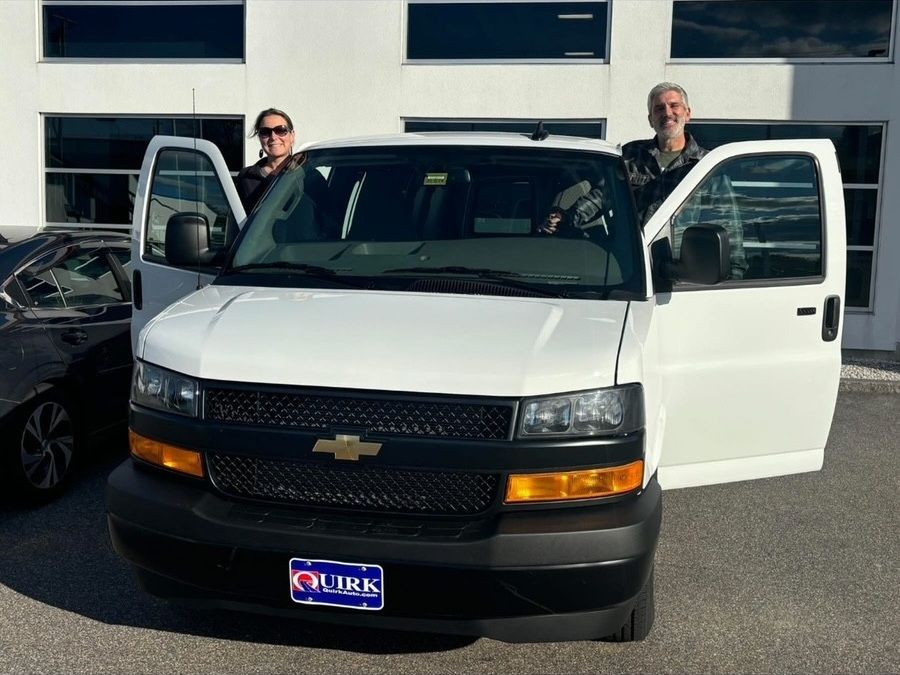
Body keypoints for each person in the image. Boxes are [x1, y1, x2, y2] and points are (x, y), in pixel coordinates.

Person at [623, 82, 746, 279]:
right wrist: (565, 217)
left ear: (687, 113)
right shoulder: (631, 156)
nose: (667, 112)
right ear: (650, 119)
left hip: (683, 275)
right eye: (659, 108)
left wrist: (733, 279)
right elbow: (601, 196)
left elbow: (728, 225)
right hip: (631, 269)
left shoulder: (708, 166)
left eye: (674, 105)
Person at [235, 108, 297, 212]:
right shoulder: (246, 178)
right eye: (265, 132)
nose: (273, 137)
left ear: (292, 136)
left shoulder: (308, 175)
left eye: (281, 130)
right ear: (259, 137)